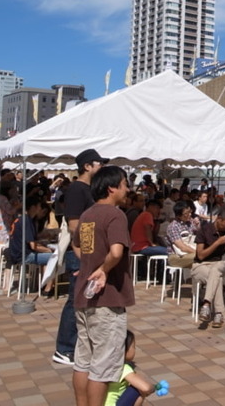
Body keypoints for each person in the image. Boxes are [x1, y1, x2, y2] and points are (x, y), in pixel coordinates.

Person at [72, 165, 135, 406]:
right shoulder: (115, 214)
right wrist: (103, 269)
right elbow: (117, 251)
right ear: (112, 188)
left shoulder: (87, 214)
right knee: (102, 367)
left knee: (83, 362)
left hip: (84, 297)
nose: (127, 189)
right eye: (124, 184)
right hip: (107, 299)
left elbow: (77, 246)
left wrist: (89, 264)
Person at [53, 148, 108, 367]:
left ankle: (76, 346)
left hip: (88, 253)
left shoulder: (90, 190)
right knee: (76, 301)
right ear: (87, 166)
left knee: (86, 301)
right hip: (80, 254)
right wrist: (86, 253)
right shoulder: (77, 189)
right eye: (98, 163)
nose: (101, 167)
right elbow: (75, 225)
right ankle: (64, 348)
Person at [193, 206, 225, 329]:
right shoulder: (204, 230)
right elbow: (200, 255)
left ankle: (206, 304)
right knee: (217, 278)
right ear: (219, 219)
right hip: (201, 265)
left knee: (219, 266)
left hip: (217, 264)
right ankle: (219, 313)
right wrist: (217, 243)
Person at [104, 331, 155, 406]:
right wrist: (153, 387)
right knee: (138, 389)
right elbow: (145, 388)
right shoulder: (123, 368)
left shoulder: (106, 364)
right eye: (133, 347)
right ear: (124, 350)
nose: (135, 350)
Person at [165, 202, 196, 269]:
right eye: (186, 213)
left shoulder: (190, 223)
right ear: (178, 215)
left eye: (190, 212)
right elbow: (182, 247)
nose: (190, 215)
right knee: (199, 257)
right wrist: (198, 253)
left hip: (189, 253)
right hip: (176, 257)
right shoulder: (173, 226)